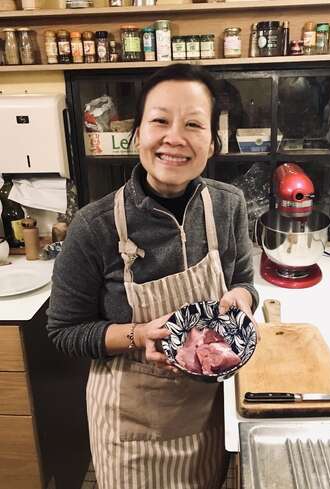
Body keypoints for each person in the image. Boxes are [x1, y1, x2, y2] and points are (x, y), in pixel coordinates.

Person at [47, 63, 259, 489]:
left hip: (205, 418)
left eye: (194, 124)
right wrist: (137, 335)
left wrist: (243, 299)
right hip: (130, 432)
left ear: (212, 142)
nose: (174, 138)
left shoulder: (229, 204)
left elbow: (243, 281)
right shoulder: (95, 225)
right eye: (159, 120)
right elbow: (64, 331)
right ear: (137, 134)